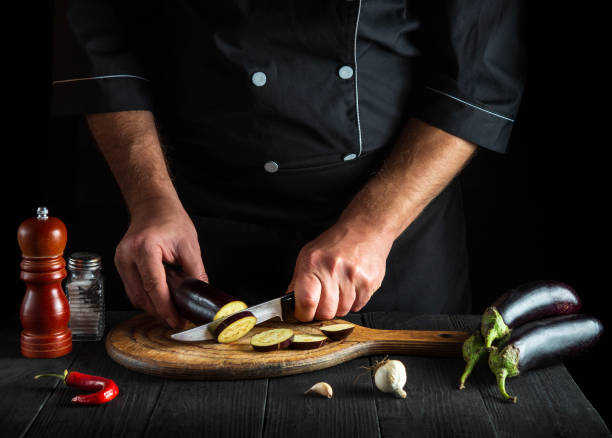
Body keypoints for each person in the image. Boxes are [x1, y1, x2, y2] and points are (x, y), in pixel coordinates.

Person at [52, 1, 525, 328]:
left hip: (391, 240)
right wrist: (152, 200)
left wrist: (373, 228)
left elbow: (476, 77)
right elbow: (99, 40)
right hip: (194, 227)